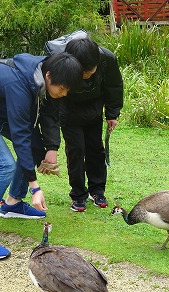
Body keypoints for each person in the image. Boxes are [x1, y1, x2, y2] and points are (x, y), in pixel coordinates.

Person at [0, 52, 83, 259]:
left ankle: (12, 203)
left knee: (31, 145)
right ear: (49, 77)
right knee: (5, 166)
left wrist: (44, 151)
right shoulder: (19, 85)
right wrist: (35, 187)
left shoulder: (37, 77)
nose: (65, 93)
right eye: (63, 88)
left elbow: (28, 133)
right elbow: (20, 135)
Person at [40, 37, 123, 212]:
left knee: (96, 149)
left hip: (94, 110)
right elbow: (51, 103)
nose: (86, 76)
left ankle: (97, 190)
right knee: (76, 150)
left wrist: (112, 113)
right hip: (69, 112)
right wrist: (51, 145)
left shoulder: (106, 59)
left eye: (89, 72)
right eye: (82, 72)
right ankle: (78, 194)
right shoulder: (61, 64)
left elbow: (114, 86)